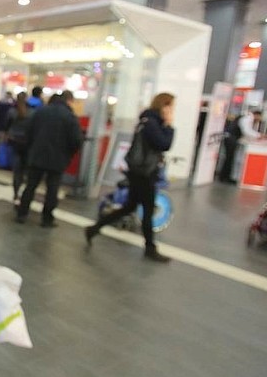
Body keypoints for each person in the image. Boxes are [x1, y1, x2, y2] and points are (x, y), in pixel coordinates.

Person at [85, 93, 176, 262]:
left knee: (129, 207)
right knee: (147, 210)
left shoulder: (146, 121)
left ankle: (94, 228)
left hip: (138, 172)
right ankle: (150, 248)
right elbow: (164, 144)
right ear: (163, 106)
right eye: (170, 106)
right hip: (144, 173)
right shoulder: (152, 123)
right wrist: (169, 125)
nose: (172, 111)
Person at [15, 91, 83, 227]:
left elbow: (28, 132)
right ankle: (47, 219)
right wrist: (68, 153)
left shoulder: (40, 112)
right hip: (58, 159)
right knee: (52, 189)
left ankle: (22, 214)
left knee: (31, 186)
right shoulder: (70, 117)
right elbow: (77, 140)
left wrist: (31, 149)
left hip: (37, 155)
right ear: (68, 101)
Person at [4, 91, 32, 204]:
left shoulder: (12, 111)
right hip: (27, 143)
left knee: (17, 170)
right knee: (26, 170)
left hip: (14, 142)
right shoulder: (32, 112)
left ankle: (16, 193)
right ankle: (24, 193)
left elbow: (7, 125)